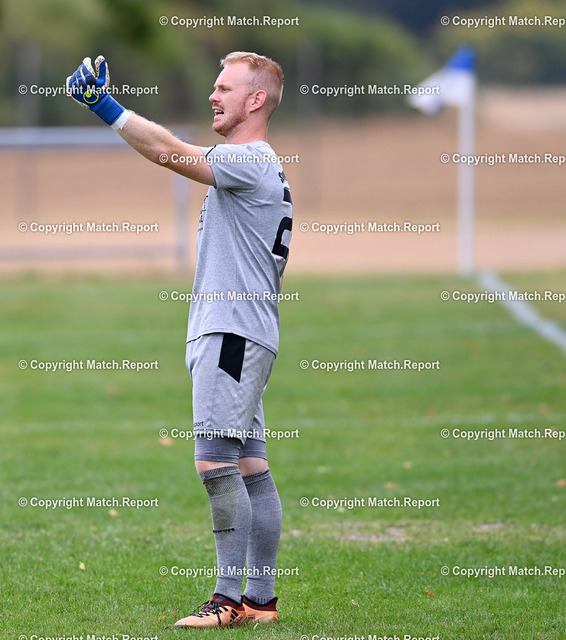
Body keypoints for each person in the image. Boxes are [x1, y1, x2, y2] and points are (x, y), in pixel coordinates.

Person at [66, 51, 292, 629]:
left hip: (232, 334)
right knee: (250, 465)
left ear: (256, 100)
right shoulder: (259, 164)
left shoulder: (248, 159)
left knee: (215, 461)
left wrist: (106, 107)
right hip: (242, 332)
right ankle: (260, 601)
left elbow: (168, 151)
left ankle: (227, 599)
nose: (213, 96)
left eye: (225, 88)